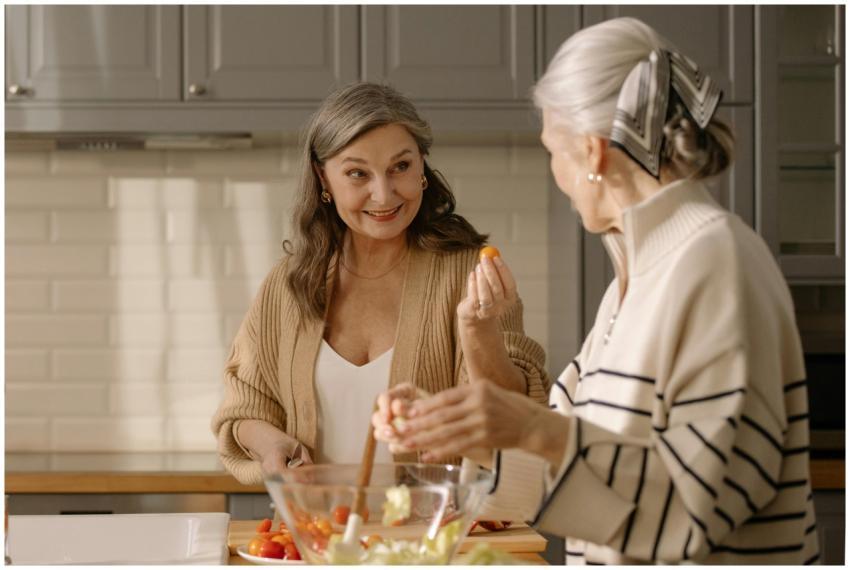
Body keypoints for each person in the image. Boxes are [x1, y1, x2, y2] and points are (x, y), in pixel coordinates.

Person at [373, 18, 818, 564]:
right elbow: (563, 475)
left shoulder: (716, 261)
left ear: (591, 154)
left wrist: (535, 427)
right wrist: (459, 428)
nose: (554, 172)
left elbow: (701, 510)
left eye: (552, 151)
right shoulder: (629, 286)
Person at [211, 82, 551, 485]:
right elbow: (244, 408)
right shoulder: (287, 285)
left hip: (436, 539)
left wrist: (481, 330)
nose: (384, 193)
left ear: (422, 166)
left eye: (401, 167)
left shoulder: (469, 274)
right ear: (323, 178)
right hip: (317, 538)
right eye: (358, 173)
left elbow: (514, 412)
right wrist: (270, 446)